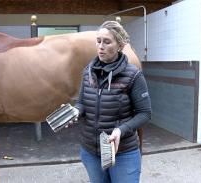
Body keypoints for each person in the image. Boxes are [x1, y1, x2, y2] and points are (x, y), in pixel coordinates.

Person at [74, 21, 152, 183]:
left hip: (123, 152)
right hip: (91, 151)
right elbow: (81, 102)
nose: (100, 46)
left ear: (120, 46)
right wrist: (75, 112)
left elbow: (145, 113)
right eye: (98, 41)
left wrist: (121, 130)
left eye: (107, 42)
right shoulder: (88, 71)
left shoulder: (133, 75)